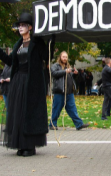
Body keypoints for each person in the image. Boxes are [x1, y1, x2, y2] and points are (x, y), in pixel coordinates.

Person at [0, 12, 55, 156]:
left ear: (30, 27)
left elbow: (47, 57)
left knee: (29, 113)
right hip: (18, 82)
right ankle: (20, 145)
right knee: (18, 114)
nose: (20, 28)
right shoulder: (18, 44)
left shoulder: (37, 42)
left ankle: (30, 146)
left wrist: (52, 39)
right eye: (19, 25)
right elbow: (11, 61)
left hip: (32, 83)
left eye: (23, 25)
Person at [49, 51, 89, 130]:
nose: (65, 58)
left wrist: (75, 74)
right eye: (63, 57)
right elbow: (54, 73)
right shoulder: (55, 66)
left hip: (69, 93)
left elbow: (72, 79)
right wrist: (65, 71)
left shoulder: (68, 66)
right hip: (60, 92)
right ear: (60, 57)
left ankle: (79, 124)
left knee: (72, 109)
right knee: (56, 109)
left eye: (66, 57)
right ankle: (52, 125)